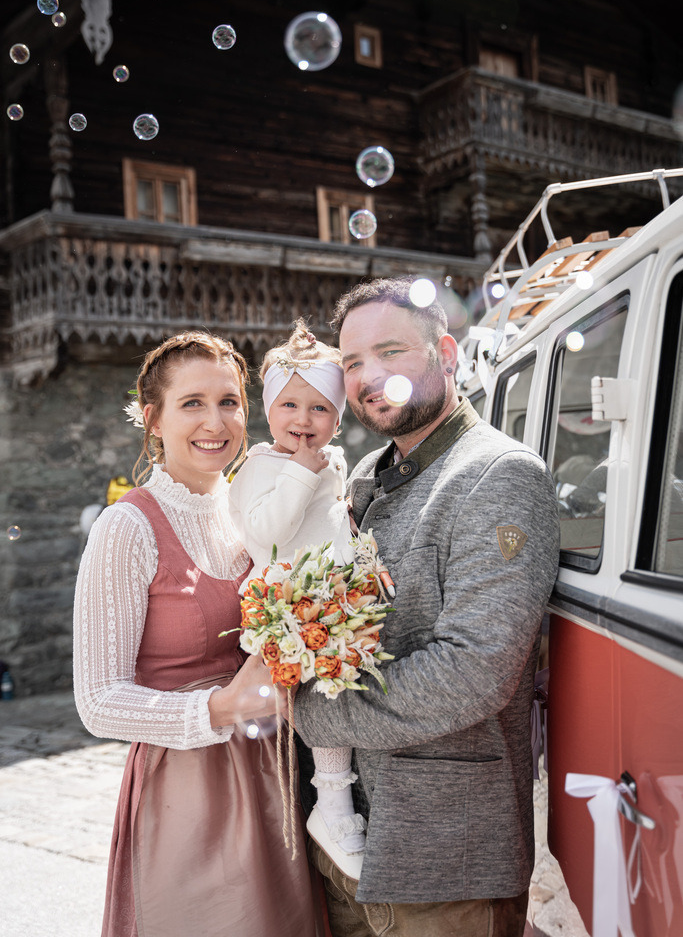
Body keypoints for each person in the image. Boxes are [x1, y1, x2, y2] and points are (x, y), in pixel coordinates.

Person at [293, 278, 561, 937]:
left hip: (445, 859)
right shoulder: (362, 477)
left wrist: (315, 710)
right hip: (343, 837)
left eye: (390, 351)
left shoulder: (499, 474)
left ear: (445, 353)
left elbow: (473, 671)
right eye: (352, 362)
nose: (369, 376)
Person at [73, 331, 318, 937]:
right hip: (187, 792)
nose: (217, 421)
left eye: (230, 401)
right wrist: (221, 706)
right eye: (193, 404)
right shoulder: (126, 530)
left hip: (276, 772)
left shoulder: (251, 510)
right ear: (152, 418)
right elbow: (98, 702)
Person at [229, 320, 367, 881]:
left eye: (319, 410)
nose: (303, 422)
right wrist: (301, 477)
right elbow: (268, 532)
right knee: (328, 700)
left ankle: (333, 801)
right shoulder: (262, 467)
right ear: (268, 411)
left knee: (342, 696)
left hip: (330, 599)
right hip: (289, 606)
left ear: (337, 418)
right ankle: (331, 806)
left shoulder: (328, 462)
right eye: (289, 406)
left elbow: (334, 524)